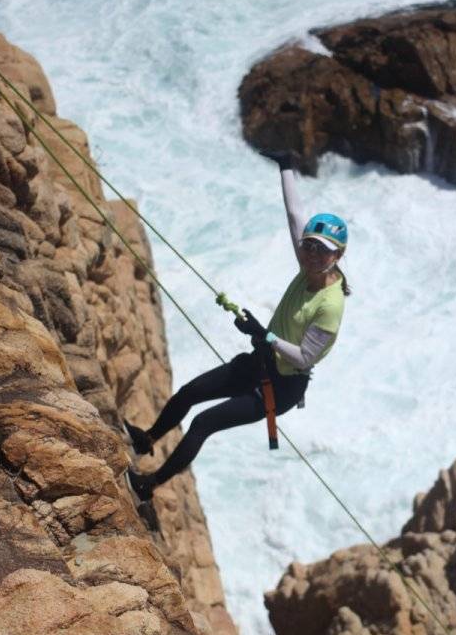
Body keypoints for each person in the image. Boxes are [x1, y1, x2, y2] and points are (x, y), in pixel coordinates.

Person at [125, 153, 350, 497]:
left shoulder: (331, 304)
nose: (313, 254)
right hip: (260, 363)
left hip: (280, 389)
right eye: (309, 246)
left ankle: (148, 486)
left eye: (323, 250)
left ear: (337, 255)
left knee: (203, 423)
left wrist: (264, 334)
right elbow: (294, 216)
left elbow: (304, 358)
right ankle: (147, 440)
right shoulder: (308, 267)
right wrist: (286, 165)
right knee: (190, 393)